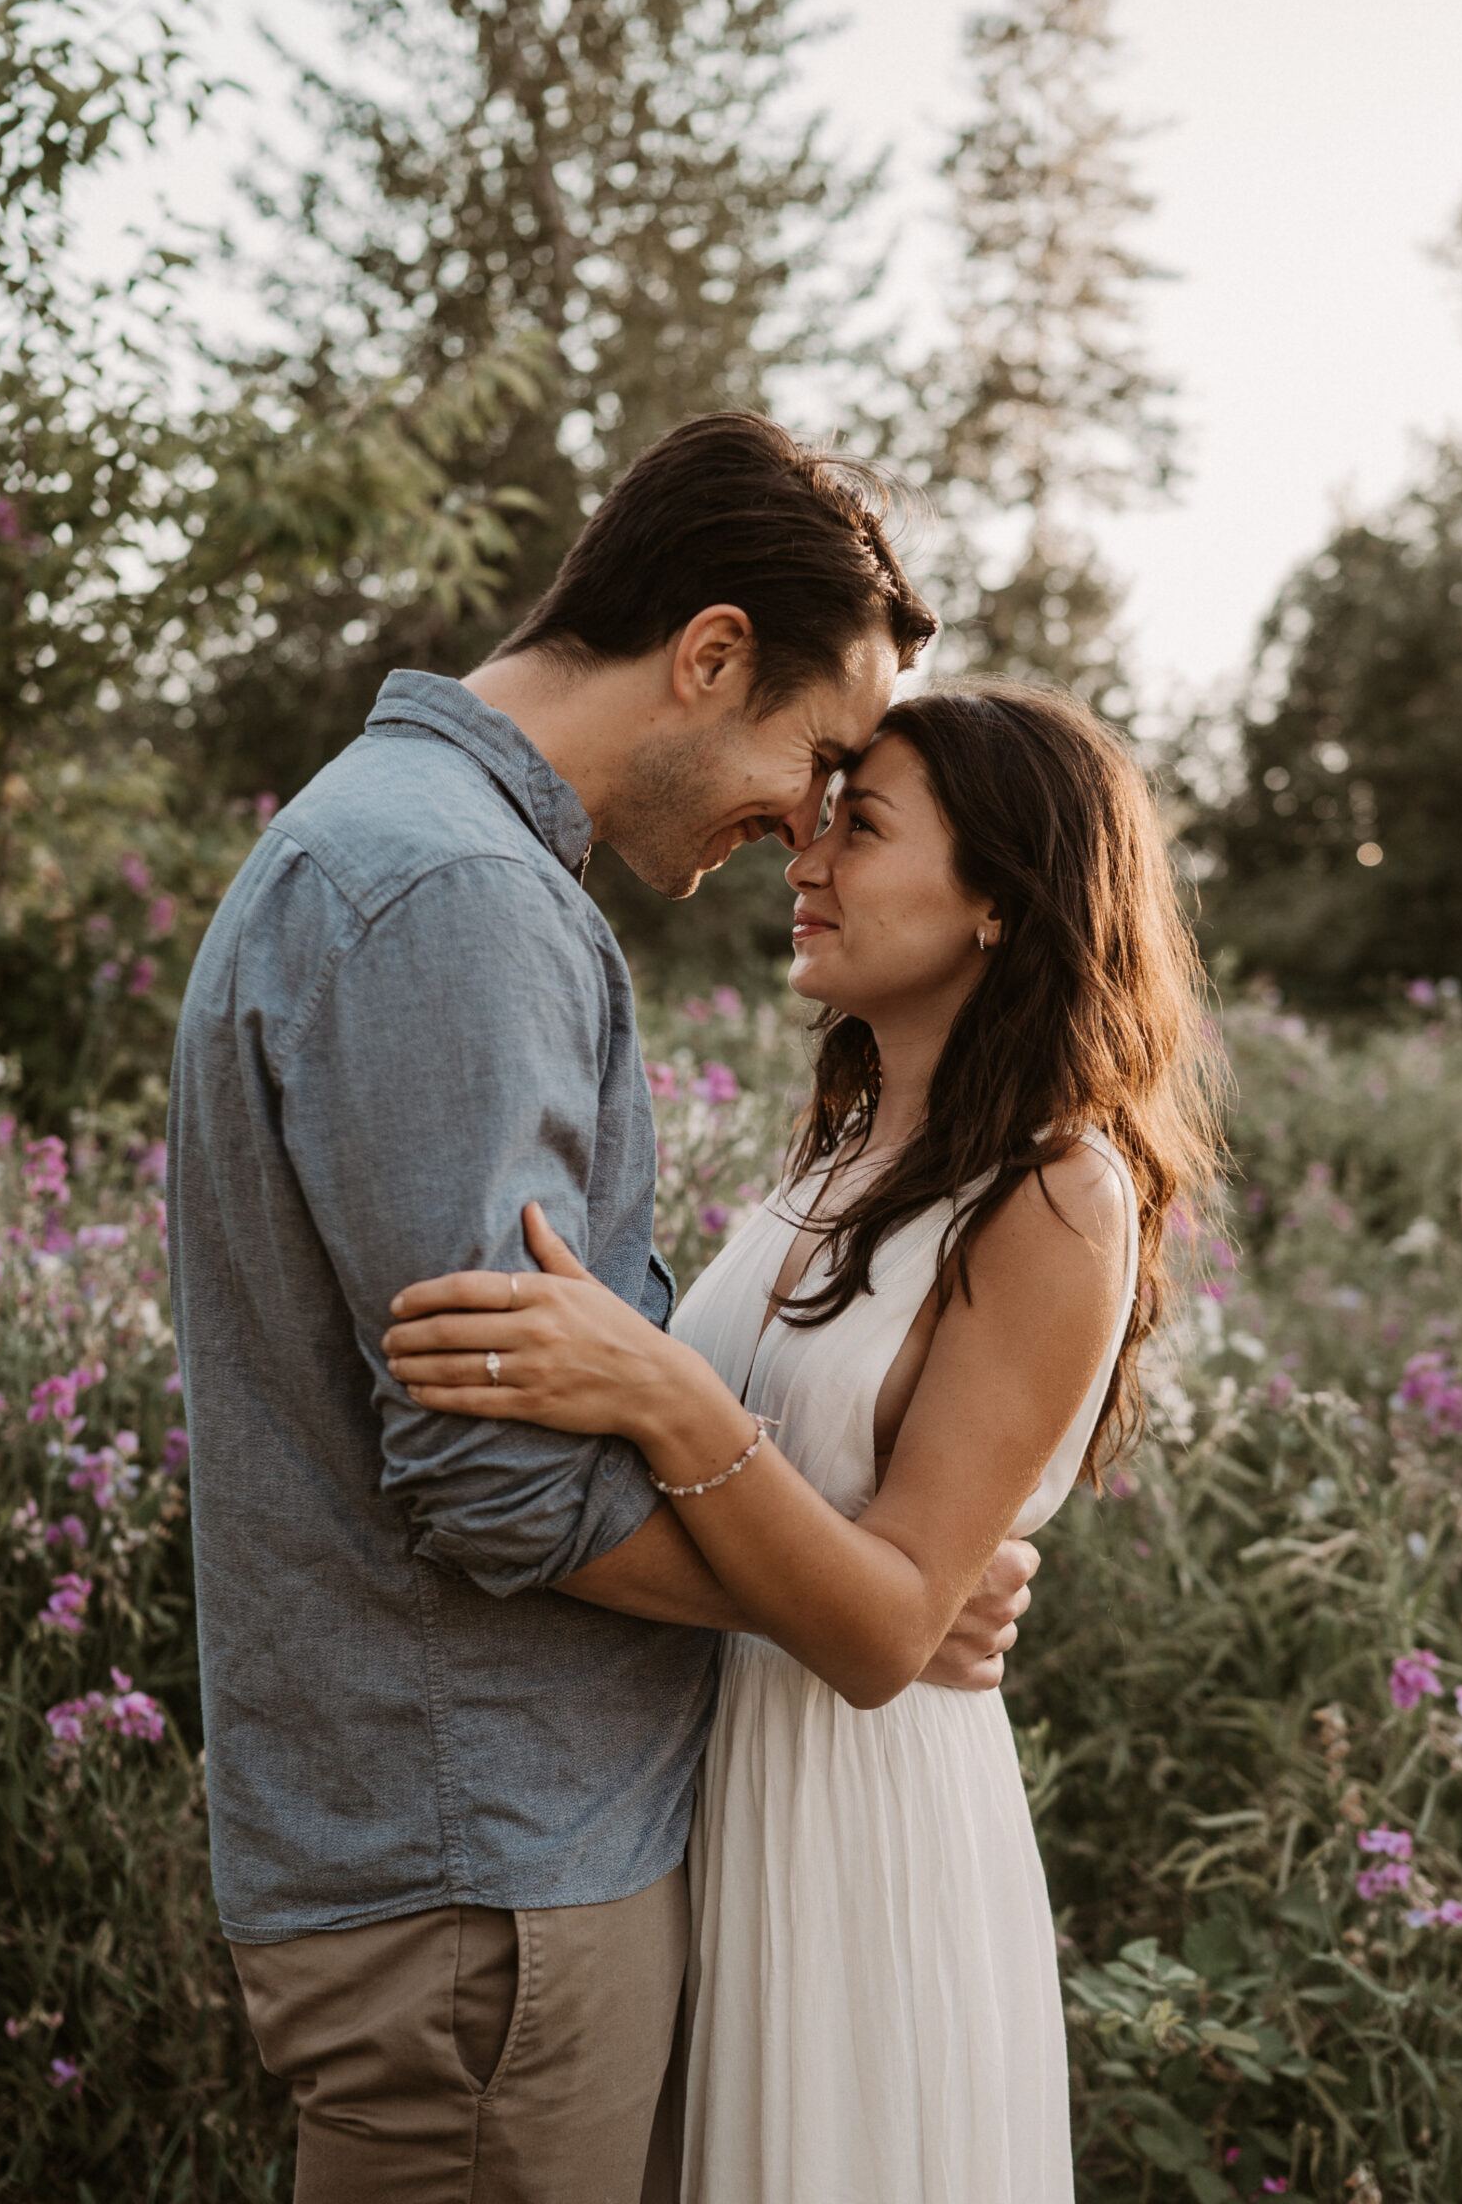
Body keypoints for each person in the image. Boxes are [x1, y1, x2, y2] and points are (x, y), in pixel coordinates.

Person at [166, 413, 1039, 2204]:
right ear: (708, 654)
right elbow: (496, 1482)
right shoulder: (459, 898)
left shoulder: (398, 850)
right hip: (486, 1882)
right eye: (815, 759)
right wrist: (854, 1604)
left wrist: (874, 1563)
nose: (806, 822)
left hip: (476, 1867)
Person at [386, 683, 1222, 2203]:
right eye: (819, 825)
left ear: (998, 902)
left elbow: (883, 1627)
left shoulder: (1056, 1198)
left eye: (866, 830)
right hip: (706, 1794)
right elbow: (852, 1549)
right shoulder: (842, 1158)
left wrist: (664, 1393)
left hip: (864, 1835)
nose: (805, 862)